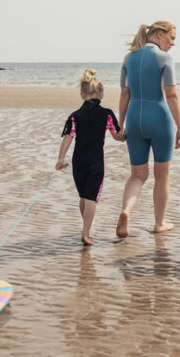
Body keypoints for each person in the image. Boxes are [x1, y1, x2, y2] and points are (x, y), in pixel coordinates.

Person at [115, 21, 180, 237]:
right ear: (160, 34)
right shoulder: (164, 58)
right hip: (159, 118)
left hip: (135, 118)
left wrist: (121, 123)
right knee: (162, 175)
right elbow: (171, 94)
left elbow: (124, 94)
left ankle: (126, 211)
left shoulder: (129, 57)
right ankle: (159, 223)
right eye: (171, 38)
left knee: (137, 174)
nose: (173, 43)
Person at [56, 69, 120, 246]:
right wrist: (131, 135)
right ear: (102, 94)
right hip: (96, 162)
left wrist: (60, 159)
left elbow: (68, 137)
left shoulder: (75, 116)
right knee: (91, 198)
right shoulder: (107, 113)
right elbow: (117, 135)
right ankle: (86, 232)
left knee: (84, 197)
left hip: (79, 162)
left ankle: (85, 227)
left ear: (82, 94)